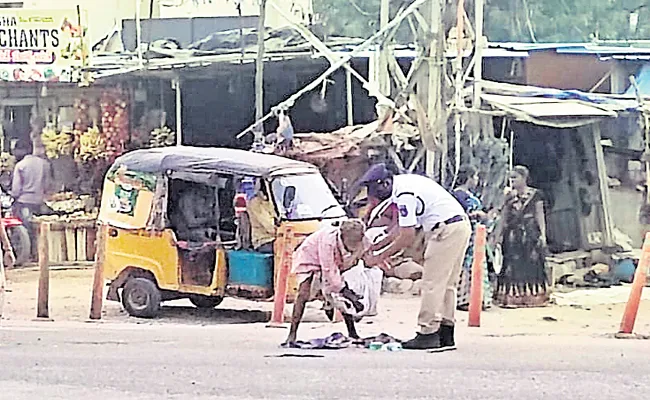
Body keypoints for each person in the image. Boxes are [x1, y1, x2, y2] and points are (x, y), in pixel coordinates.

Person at [359, 163, 471, 351]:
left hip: (444, 230)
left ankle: (428, 333)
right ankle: (446, 333)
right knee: (446, 284)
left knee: (432, 283)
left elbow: (406, 236)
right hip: (458, 226)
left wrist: (377, 258)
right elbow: (399, 229)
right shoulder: (406, 185)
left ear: (384, 184)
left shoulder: (404, 196)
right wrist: (374, 247)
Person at [284, 219, 368, 346]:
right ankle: (292, 334)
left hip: (338, 262)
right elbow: (328, 270)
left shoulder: (363, 241)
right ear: (342, 236)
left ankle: (352, 332)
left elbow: (367, 253)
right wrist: (347, 292)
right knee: (303, 294)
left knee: (343, 295)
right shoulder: (328, 242)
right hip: (310, 258)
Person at [494, 165, 549, 308]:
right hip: (513, 235)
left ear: (524, 178)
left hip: (530, 234)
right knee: (512, 265)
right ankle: (512, 298)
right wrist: (498, 236)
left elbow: (539, 215)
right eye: (510, 178)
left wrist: (542, 234)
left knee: (532, 265)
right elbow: (504, 217)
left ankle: (533, 297)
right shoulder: (509, 196)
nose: (512, 181)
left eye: (515, 177)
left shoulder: (536, 195)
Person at [452, 165, 493, 311]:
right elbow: (457, 214)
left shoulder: (467, 194)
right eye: (475, 177)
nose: (476, 180)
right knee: (467, 264)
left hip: (476, 234)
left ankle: (476, 298)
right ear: (468, 178)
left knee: (475, 264)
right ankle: (464, 299)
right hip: (466, 234)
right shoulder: (458, 195)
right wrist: (476, 215)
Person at [11, 142, 53, 260]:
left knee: (27, 228)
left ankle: (30, 254)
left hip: (24, 201)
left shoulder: (20, 165)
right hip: (40, 201)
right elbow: (48, 184)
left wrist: (14, 197)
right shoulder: (44, 164)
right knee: (40, 228)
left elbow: (16, 189)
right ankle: (41, 253)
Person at [246, 182, 276, 253]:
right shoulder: (255, 202)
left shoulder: (274, 200)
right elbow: (270, 227)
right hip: (264, 241)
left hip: (278, 238)